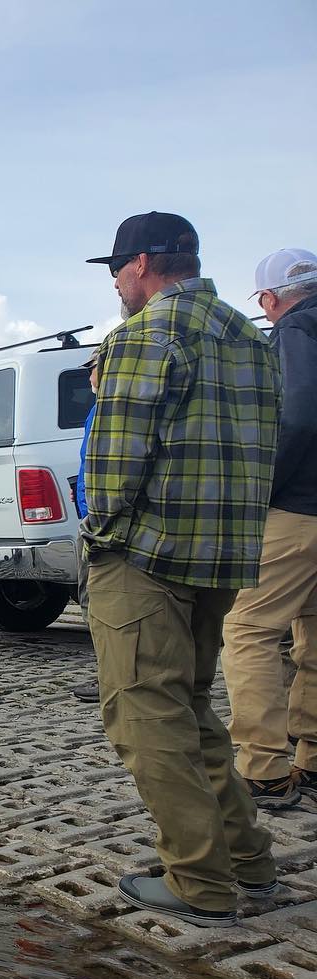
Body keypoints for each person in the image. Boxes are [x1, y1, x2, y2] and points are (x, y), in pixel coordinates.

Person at [83, 211, 282, 927]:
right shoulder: (248, 337)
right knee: (191, 709)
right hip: (222, 555)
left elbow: (114, 463)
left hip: (147, 557)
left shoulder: (144, 334)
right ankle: (251, 865)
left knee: (144, 718)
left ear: (141, 263)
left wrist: (100, 537)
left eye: (115, 269)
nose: (113, 283)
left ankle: (201, 883)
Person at [222, 248, 317, 809]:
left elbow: (298, 414)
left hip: (298, 508)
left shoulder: (294, 332)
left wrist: (264, 487)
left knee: (251, 630)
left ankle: (263, 771)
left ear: (271, 299)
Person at [71, 353, 102, 704]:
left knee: (96, 599)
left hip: (99, 520)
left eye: (92, 370)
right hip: (90, 515)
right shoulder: (96, 411)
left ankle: (111, 674)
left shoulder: (111, 409)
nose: (89, 378)